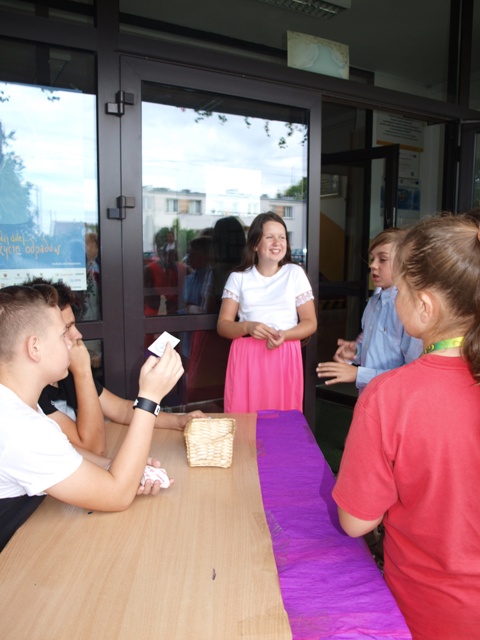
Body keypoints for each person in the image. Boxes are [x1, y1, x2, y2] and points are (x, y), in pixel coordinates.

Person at [332, 214, 480, 639]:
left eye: (401, 291)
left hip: (430, 609)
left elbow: (356, 521)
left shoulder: (389, 395)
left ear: (425, 306)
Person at [0, 284, 184, 551]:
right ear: (35, 347)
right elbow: (117, 495)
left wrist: (118, 467)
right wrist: (150, 398)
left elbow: (67, 454)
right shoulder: (20, 429)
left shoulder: (14, 404)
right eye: (62, 333)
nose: (72, 341)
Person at [24, 278, 204, 457]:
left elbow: (120, 409)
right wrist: (83, 372)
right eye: (65, 330)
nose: (78, 334)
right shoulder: (31, 392)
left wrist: (178, 421)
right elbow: (95, 449)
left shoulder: (64, 371)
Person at [217, 211, 317, 412]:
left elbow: (310, 322)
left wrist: (284, 335)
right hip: (247, 356)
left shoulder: (295, 273)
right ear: (255, 244)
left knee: (282, 420)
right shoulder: (238, 278)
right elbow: (223, 326)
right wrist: (247, 327)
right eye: (269, 237)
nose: (277, 243)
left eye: (282, 237)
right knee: (244, 417)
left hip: (284, 353)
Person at [316, 227, 423, 394]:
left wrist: (359, 374)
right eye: (372, 259)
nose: (373, 265)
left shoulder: (411, 310)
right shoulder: (373, 303)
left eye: (383, 259)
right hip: (369, 397)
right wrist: (355, 351)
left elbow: (412, 372)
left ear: (406, 263)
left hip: (394, 400)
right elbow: (372, 347)